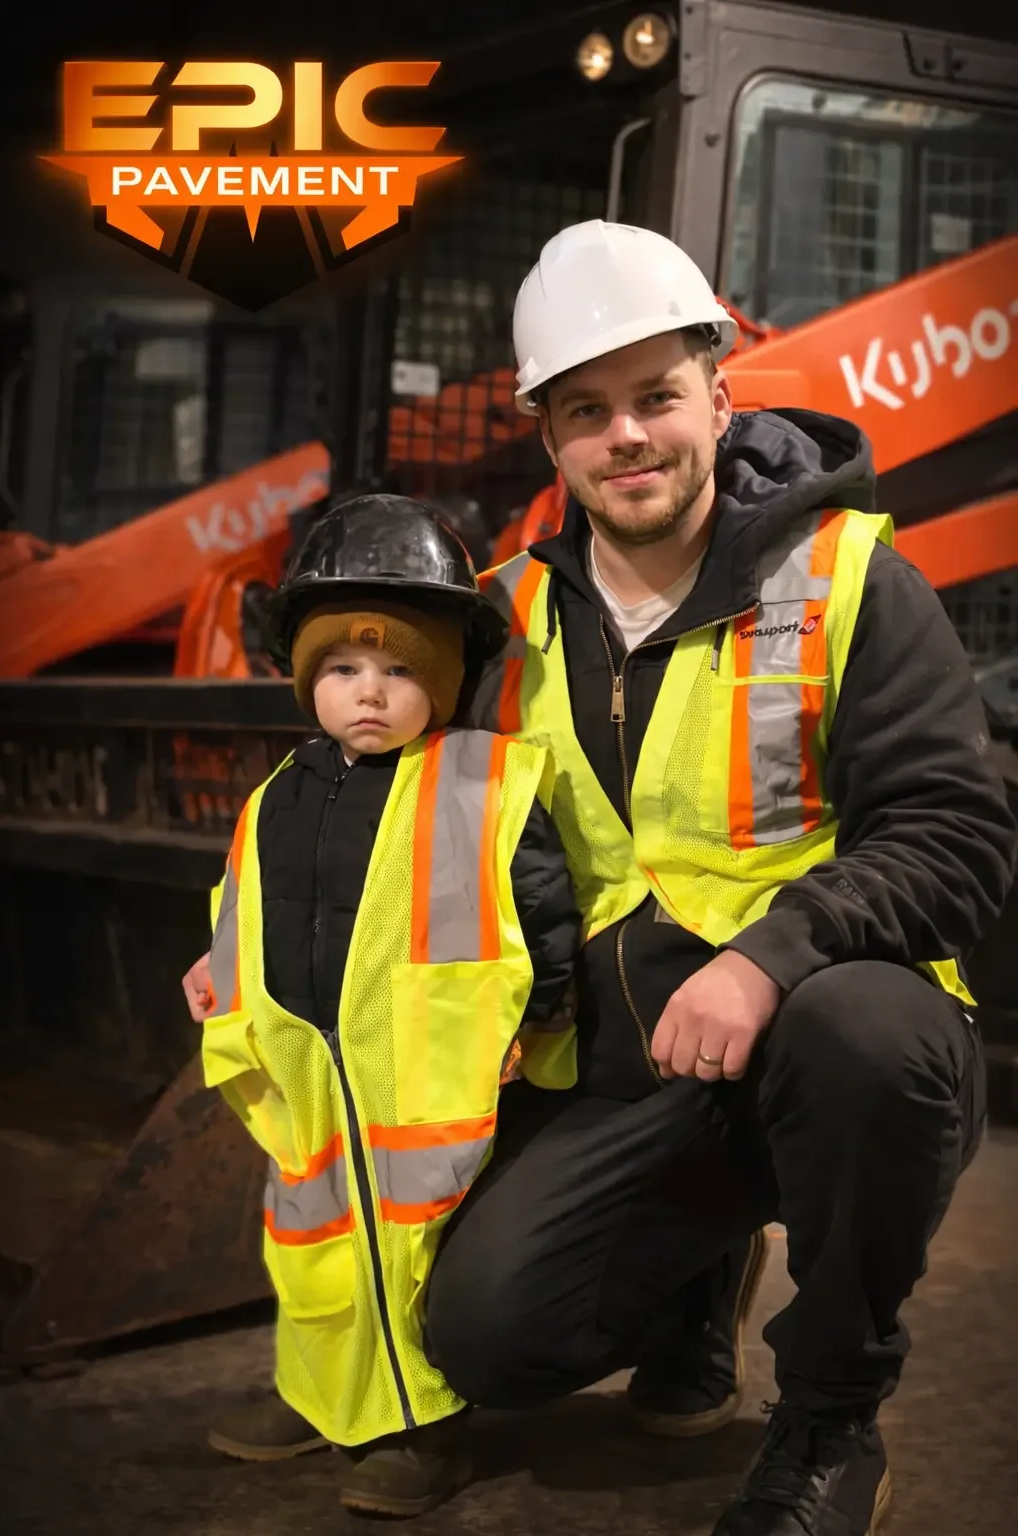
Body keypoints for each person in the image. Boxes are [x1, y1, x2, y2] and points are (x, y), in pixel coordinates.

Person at [415, 221, 1017, 1536]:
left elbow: (956, 836)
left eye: (655, 397)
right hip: (631, 1073)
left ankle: (828, 1424)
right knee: (486, 1341)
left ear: (718, 395)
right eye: (588, 411)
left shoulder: (852, 581)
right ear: (550, 437)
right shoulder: (500, 619)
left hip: (824, 1043)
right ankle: (698, 1278)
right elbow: (430, 838)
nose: (625, 436)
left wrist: (769, 957)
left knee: (870, 1035)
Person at [181, 493, 581, 1518]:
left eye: (401, 670)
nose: (370, 693)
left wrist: (540, 1022)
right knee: (311, 1249)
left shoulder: (480, 784)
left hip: (426, 1083)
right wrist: (218, 965)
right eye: (344, 670)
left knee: (411, 1253)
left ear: (443, 680)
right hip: (316, 1079)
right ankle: (320, 1397)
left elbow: (542, 914)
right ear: (308, 678)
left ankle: (420, 1429)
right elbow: (250, 896)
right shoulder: (281, 789)